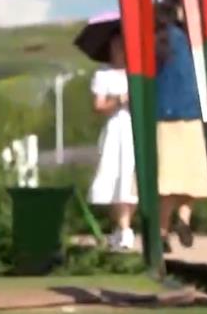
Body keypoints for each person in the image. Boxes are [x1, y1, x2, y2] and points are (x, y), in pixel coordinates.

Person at [152, 0, 207, 253]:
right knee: (192, 177)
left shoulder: (154, 40)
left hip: (162, 116)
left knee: (167, 182)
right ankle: (184, 219)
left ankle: (162, 233)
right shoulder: (189, 40)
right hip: (191, 112)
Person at [88, 29, 137, 250]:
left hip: (133, 129)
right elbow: (98, 106)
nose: (120, 51)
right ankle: (123, 229)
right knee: (113, 176)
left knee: (130, 178)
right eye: (116, 46)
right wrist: (119, 100)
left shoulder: (135, 72)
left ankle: (125, 228)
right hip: (115, 129)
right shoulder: (103, 74)